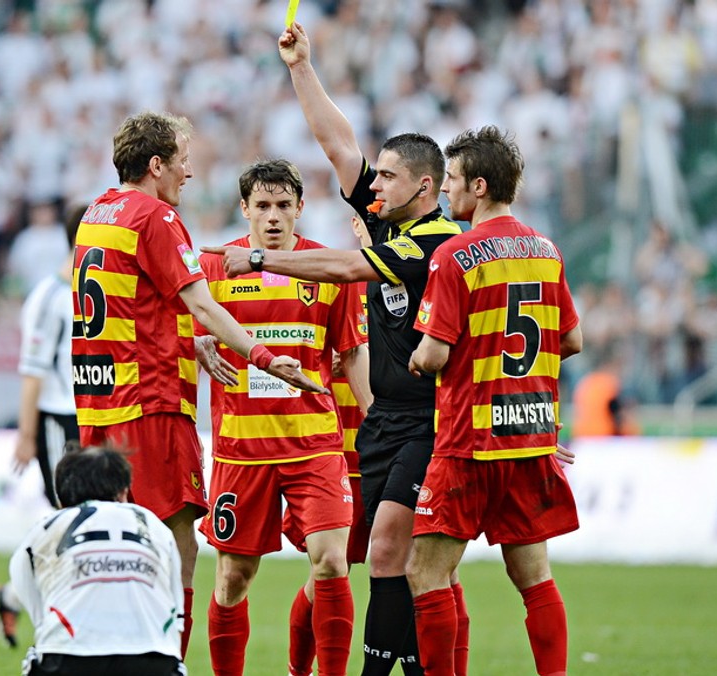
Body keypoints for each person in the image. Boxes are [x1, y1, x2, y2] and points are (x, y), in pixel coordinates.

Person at [202, 22, 465, 675]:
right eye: (260, 205)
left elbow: (349, 280)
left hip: (417, 425)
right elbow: (338, 143)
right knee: (358, 561)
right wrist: (301, 69)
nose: (376, 186)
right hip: (308, 435)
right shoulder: (387, 219)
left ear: (425, 189)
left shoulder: (428, 244)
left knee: (387, 561)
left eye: (391, 178)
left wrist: (262, 260)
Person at [72, 111, 326, 658]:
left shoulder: (96, 213)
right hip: (151, 405)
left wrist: (188, 341)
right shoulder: (154, 216)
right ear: (157, 164)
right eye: (183, 161)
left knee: (112, 552)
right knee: (177, 553)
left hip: (98, 405)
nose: (188, 173)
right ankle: (168, 666)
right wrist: (262, 356)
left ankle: (100, 657)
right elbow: (202, 304)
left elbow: (126, 310)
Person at [405, 125, 582, 676]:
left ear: (479, 186)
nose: (446, 192)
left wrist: (417, 359)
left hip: (467, 441)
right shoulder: (545, 250)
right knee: (533, 576)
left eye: (452, 180)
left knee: (425, 573)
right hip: (529, 437)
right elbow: (571, 339)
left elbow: (433, 356)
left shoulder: (456, 255)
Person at [193, 159, 358, 675]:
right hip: (242, 448)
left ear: (300, 208)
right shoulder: (214, 265)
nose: (272, 216)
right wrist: (196, 341)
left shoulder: (329, 267)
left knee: (332, 561)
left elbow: (352, 352)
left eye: (283, 206)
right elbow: (179, 322)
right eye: (261, 206)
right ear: (244, 209)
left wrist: (375, 420)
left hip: (315, 443)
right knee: (233, 579)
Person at [0, 202, 89, 649]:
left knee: (82, 522)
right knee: (69, 519)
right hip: (59, 419)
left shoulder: (101, 291)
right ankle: (39, 605)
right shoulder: (50, 297)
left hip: (95, 417)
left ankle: (12, 596)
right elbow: (33, 370)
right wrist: (27, 435)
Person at [9, 444, 187, 676]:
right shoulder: (154, 525)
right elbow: (176, 614)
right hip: (154, 659)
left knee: (42, 650)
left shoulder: (47, 527)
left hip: (69, 658)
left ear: (62, 498)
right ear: (124, 492)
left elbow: (37, 609)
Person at [286, 278, 373, 676]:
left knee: (423, 568)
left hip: (398, 444)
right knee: (329, 567)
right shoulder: (336, 275)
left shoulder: (419, 275)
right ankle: (299, 669)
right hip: (338, 447)